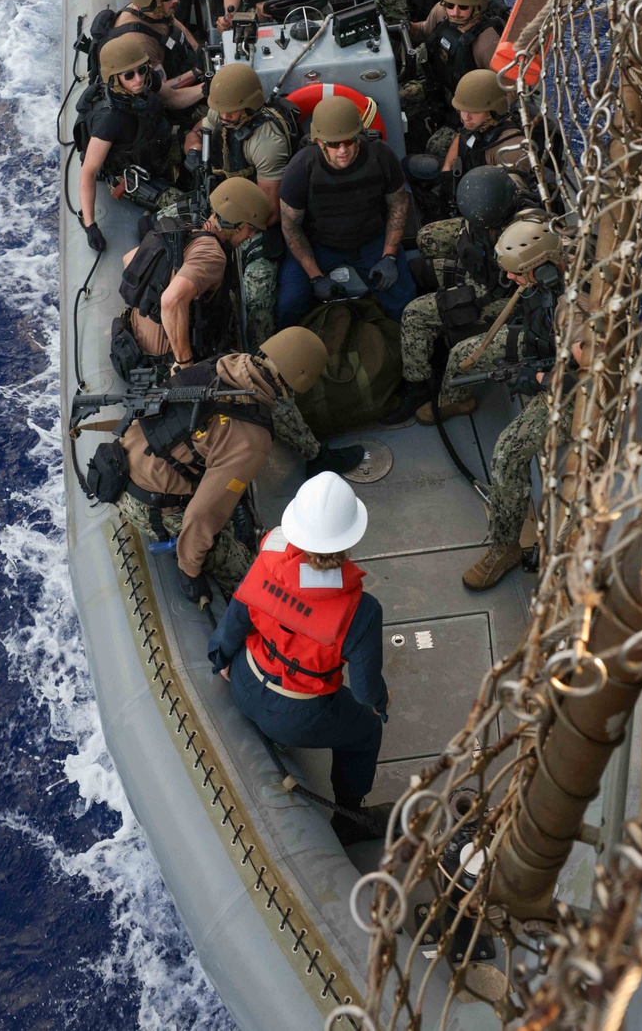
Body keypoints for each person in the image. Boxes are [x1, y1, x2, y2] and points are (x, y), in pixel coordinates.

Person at [207, 472, 389, 844]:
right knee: (366, 731)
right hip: (297, 716)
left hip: (243, 680)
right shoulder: (362, 610)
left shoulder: (268, 558)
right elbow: (367, 691)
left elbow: (234, 621)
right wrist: (378, 707)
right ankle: (350, 815)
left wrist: (221, 659)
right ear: (350, 539)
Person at [116, 327, 336, 598]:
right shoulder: (251, 442)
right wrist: (190, 570)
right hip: (149, 503)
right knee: (258, 582)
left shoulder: (225, 364)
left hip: (124, 461)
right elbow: (201, 515)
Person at [414, 221, 572, 590]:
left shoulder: (575, 310)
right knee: (463, 354)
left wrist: (535, 380)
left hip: (570, 389)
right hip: (544, 348)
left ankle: (505, 547)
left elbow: (588, 375)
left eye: (517, 274)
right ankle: (459, 399)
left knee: (506, 454)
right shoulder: (543, 278)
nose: (510, 279)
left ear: (544, 266)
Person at [384, 167, 545, 423]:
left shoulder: (523, 236)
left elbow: (518, 284)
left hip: (497, 294)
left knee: (414, 315)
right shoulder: (500, 198)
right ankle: (430, 339)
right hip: (480, 269)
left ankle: (425, 387)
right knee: (420, 255)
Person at [277, 95, 415, 327]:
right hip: (319, 244)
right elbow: (290, 224)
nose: (343, 150)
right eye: (333, 144)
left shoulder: (380, 155)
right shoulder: (301, 167)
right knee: (290, 303)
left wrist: (389, 256)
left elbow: (399, 203)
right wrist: (315, 277)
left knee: (403, 300)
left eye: (349, 140)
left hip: (370, 239)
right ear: (319, 142)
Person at [183, 63, 297, 345]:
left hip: (252, 221)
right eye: (220, 111)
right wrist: (194, 152)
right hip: (219, 202)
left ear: (249, 106)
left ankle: (260, 354)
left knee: (258, 292)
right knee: (166, 223)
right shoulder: (222, 112)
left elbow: (268, 213)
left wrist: (223, 228)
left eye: (231, 112)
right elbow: (196, 133)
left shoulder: (266, 142)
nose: (224, 116)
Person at [117, 176, 271, 370]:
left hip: (132, 342)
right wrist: (185, 365)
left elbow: (128, 259)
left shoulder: (187, 229)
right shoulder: (213, 255)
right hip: (165, 359)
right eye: (251, 229)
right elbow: (171, 301)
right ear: (234, 223)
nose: (251, 236)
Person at [75, 34, 182, 248]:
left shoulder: (145, 85)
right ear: (115, 78)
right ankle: (148, 225)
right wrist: (90, 226)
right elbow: (89, 171)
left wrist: (207, 89)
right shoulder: (110, 119)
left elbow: (174, 99)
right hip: (130, 176)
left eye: (142, 70)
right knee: (186, 204)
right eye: (129, 75)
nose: (138, 79)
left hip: (155, 152)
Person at [400, 0, 508, 159]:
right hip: (441, 88)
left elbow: (504, 97)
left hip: (471, 111)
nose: (455, 12)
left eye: (463, 7)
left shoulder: (487, 45)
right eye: (450, 4)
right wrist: (400, 29)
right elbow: (424, 29)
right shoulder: (442, 12)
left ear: (478, 6)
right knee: (403, 99)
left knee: (436, 147)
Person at [106, 0, 207, 106]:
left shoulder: (156, 11)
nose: (176, 0)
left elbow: (175, 24)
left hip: (183, 59)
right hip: (178, 91)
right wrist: (199, 71)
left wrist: (199, 50)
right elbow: (163, 90)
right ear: (150, 1)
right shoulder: (140, 43)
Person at [433, 70, 533, 183]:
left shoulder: (510, 148)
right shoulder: (479, 124)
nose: (466, 117)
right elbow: (462, 139)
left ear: (494, 111)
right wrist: (448, 171)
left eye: (475, 112)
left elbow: (510, 195)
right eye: (462, 110)